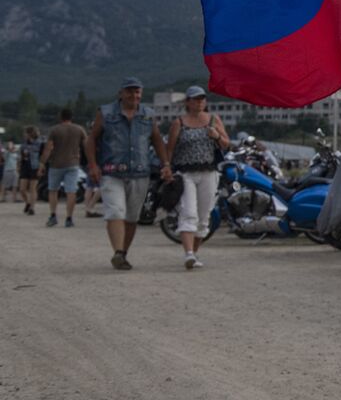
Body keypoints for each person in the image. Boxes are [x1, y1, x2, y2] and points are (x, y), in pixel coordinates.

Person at [85, 77, 172, 270]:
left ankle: (123, 253)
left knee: (132, 217)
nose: (134, 95)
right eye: (130, 91)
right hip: (111, 171)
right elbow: (91, 140)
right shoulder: (105, 112)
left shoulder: (148, 114)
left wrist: (165, 163)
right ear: (121, 93)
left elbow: (157, 140)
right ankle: (117, 251)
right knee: (115, 211)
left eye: (137, 92)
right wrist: (93, 165)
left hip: (140, 172)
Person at [166, 86, 230, 269]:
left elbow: (226, 144)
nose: (200, 102)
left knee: (204, 215)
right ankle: (188, 254)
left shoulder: (213, 119)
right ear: (187, 102)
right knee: (188, 212)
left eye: (202, 99)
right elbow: (170, 149)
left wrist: (216, 135)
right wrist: (167, 167)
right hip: (186, 173)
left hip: (209, 172)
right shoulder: (179, 123)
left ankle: (194, 253)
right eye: (195, 99)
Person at [38, 108, 87, 227]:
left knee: (53, 190)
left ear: (60, 117)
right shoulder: (79, 129)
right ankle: (69, 218)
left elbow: (48, 148)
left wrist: (42, 163)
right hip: (73, 164)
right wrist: (90, 161)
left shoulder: (54, 130)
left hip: (56, 164)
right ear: (71, 117)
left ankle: (53, 215)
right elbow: (86, 146)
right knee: (71, 191)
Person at [18, 126, 43, 215]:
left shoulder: (39, 143)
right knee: (22, 189)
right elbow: (21, 155)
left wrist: (41, 168)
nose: (24, 135)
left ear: (30, 134)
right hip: (25, 166)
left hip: (35, 166)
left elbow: (42, 157)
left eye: (26, 133)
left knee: (32, 188)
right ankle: (28, 202)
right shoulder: (24, 143)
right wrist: (19, 166)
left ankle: (32, 208)